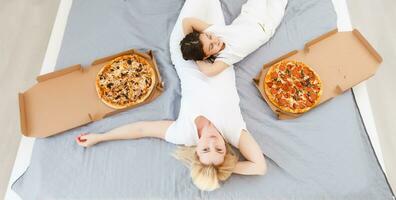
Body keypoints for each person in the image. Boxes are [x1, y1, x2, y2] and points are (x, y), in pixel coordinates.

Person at [76, 0, 270, 191]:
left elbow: (142, 129)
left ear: (196, 151)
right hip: (215, 57)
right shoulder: (233, 130)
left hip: (187, 55)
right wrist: (223, 169)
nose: (212, 142)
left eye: (205, 149)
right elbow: (259, 167)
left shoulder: (183, 133)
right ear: (226, 151)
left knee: (193, 14)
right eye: (219, 149)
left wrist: (100, 138)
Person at [180, 0, 288, 77]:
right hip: (267, 25)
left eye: (209, 36)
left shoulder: (214, 32)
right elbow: (209, 71)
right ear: (206, 56)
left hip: (251, 14)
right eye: (211, 46)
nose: (215, 40)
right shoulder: (225, 57)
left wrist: (192, 41)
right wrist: (197, 57)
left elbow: (187, 21)